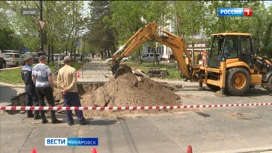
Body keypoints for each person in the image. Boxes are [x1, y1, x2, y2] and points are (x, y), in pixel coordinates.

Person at [57, 56, 88, 126]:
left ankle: (70, 121)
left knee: (67, 106)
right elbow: (74, 82)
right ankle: (81, 120)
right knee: (77, 106)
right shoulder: (73, 69)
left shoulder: (60, 70)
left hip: (64, 92)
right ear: (70, 62)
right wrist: (68, 88)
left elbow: (58, 81)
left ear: (64, 62)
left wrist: (64, 88)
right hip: (73, 91)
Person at [32, 55, 62, 124]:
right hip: (46, 87)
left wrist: (36, 85)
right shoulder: (46, 67)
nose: (46, 61)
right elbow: (50, 79)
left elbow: (33, 78)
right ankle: (53, 118)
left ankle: (43, 119)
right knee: (51, 102)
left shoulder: (34, 67)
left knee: (41, 103)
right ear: (44, 60)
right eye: (46, 60)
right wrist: (52, 87)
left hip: (38, 87)